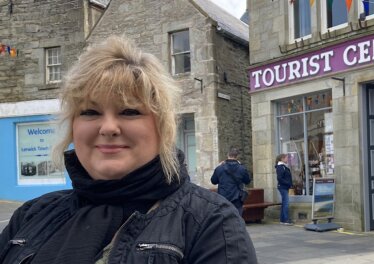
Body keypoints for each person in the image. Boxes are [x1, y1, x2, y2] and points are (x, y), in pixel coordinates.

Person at [0, 36, 257, 264]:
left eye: (129, 111)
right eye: (90, 112)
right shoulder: (32, 214)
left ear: (162, 127)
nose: (108, 127)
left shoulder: (209, 222)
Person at [211, 147, 251, 216]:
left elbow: (213, 181)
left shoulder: (219, 168)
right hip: (237, 198)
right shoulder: (242, 168)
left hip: (223, 197)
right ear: (237, 156)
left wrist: (218, 167)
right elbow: (247, 181)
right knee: (237, 218)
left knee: (224, 219)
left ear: (228, 155)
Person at [275, 153, 293, 225]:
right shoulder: (280, 167)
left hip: (284, 187)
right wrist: (288, 183)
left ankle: (282, 219)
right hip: (283, 187)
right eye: (286, 158)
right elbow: (279, 178)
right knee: (286, 203)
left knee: (284, 203)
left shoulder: (283, 166)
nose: (287, 159)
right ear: (282, 159)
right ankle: (285, 220)